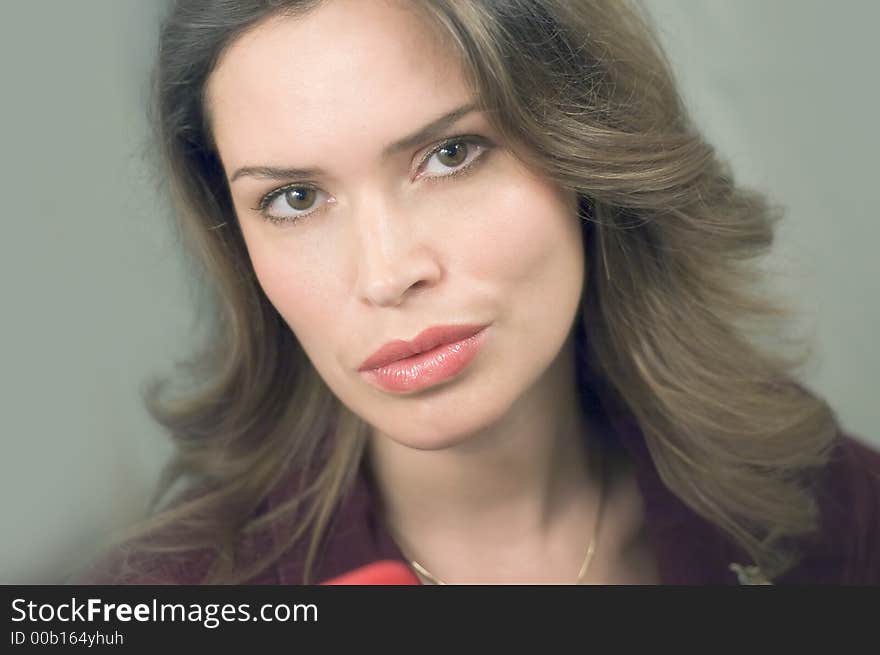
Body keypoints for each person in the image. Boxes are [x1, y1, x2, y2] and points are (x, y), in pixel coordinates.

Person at [72, 0, 879, 586]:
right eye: (294, 198)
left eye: (452, 153)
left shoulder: (836, 516)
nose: (386, 274)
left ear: (585, 149)